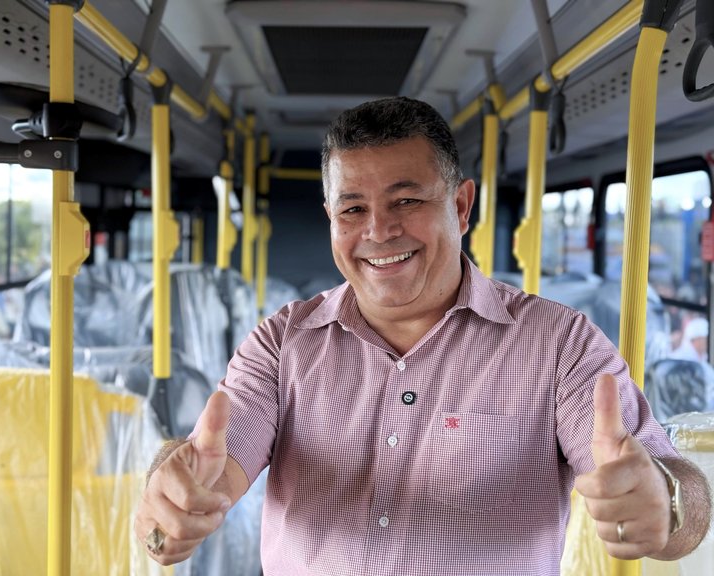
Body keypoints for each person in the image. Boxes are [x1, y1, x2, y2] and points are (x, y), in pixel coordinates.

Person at [135, 97, 712, 574]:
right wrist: (173, 491)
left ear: (461, 206)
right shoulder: (282, 343)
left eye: (406, 200)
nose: (379, 230)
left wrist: (666, 503)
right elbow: (215, 461)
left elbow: (673, 486)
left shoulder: (559, 344)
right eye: (352, 209)